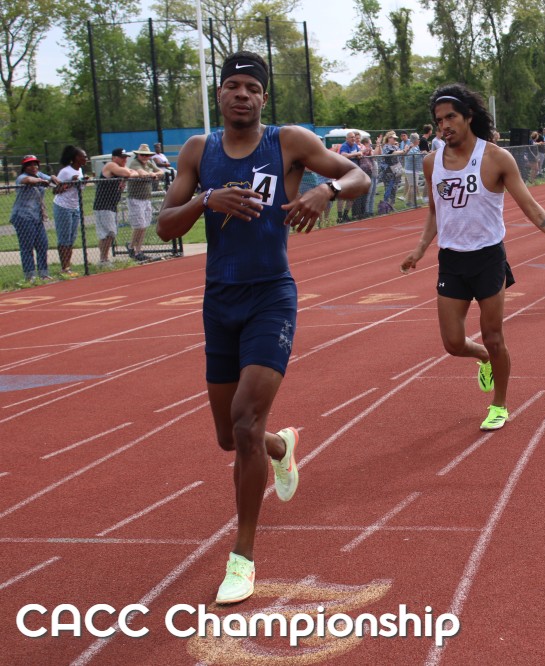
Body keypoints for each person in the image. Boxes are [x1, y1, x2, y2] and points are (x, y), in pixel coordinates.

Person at [155, 50, 370, 605]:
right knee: (230, 436)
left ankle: (242, 558)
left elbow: (358, 175)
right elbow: (164, 227)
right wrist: (207, 199)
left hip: (271, 296)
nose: (242, 95)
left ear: (264, 98)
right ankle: (282, 445)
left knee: (246, 423)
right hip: (219, 301)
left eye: (252, 88)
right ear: (220, 94)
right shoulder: (198, 151)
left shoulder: (289, 141)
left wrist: (325, 191)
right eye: (233, 86)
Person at [400, 84, 545, 431]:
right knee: (453, 342)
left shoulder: (496, 158)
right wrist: (421, 248)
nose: (444, 125)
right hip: (451, 260)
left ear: (468, 117)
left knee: (493, 335)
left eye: (451, 117)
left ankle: (499, 404)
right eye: (439, 120)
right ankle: (483, 358)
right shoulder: (432, 163)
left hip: (488, 258)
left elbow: (530, 207)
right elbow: (434, 210)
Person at [10, 155, 59, 282]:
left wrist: (52, 177)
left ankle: (43, 274)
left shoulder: (39, 174)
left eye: (35, 164)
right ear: (25, 167)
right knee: (27, 246)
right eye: (30, 165)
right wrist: (39, 181)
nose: (33, 167)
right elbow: (28, 180)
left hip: (37, 216)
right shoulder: (22, 177)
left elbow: (51, 179)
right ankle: (30, 276)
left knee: (42, 244)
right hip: (23, 216)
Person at [93, 148, 140, 266]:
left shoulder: (119, 169)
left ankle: (103, 259)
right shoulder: (111, 165)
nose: (124, 160)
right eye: (122, 157)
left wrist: (129, 174)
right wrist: (128, 174)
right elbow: (129, 173)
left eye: (125, 158)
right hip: (103, 205)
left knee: (109, 233)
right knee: (108, 233)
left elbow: (135, 173)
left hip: (111, 205)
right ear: (114, 158)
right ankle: (103, 260)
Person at [52, 145, 89, 275]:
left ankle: (68, 266)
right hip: (63, 206)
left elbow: (78, 189)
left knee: (72, 238)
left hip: (75, 206)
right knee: (64, 238)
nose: (86, 158)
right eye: (84, 156)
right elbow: (55, 190)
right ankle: (64, 268)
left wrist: (82, 182)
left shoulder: (80, 170)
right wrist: (71, 183)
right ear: (76, 158)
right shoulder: (65, 172)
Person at [126, 143, 165, 260]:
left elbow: (161, 172)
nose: (144, 157)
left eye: (146, 155)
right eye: (142, 155)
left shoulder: (149, 163)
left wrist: (154, 174)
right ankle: (131, 246)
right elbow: (142, 173)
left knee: (145, 225)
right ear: (138, 155)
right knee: (140, 225)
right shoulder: (135, 163)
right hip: (135, 198)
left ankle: (137, 250)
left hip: (146, 198)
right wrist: (151, 174)